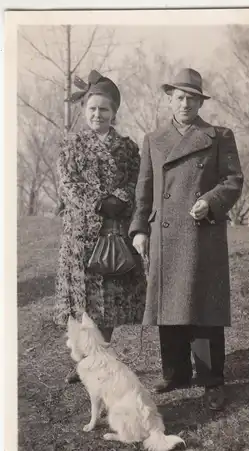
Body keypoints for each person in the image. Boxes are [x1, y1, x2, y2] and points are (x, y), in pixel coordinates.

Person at [129, 68, 243, 410]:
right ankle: (175, 372)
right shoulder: (153, 139)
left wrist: (209, 201)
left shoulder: (219, 135)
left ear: (200, 102)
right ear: (170, 99)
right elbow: (144, 190)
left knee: (203, 308)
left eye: (192, 98)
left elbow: (234, 180)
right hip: (165, 234)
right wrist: (138, 229)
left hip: (202, 232)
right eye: (179, 97)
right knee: (169, 306)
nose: (185, 103)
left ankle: (210, 379)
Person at [54, 70, 146, 383]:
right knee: (82, 302)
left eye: (104, 109)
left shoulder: (128, 148)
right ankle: (81, 359)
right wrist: (98, 202)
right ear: (84, 111)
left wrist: (120, 199)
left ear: (114, 113)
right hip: (81, 234)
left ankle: (99, 357)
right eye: (92, 108)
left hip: (114, 232)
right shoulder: (71, 145)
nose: (98, 114)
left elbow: (137, 180)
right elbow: (68, 183)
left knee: (110, 300)